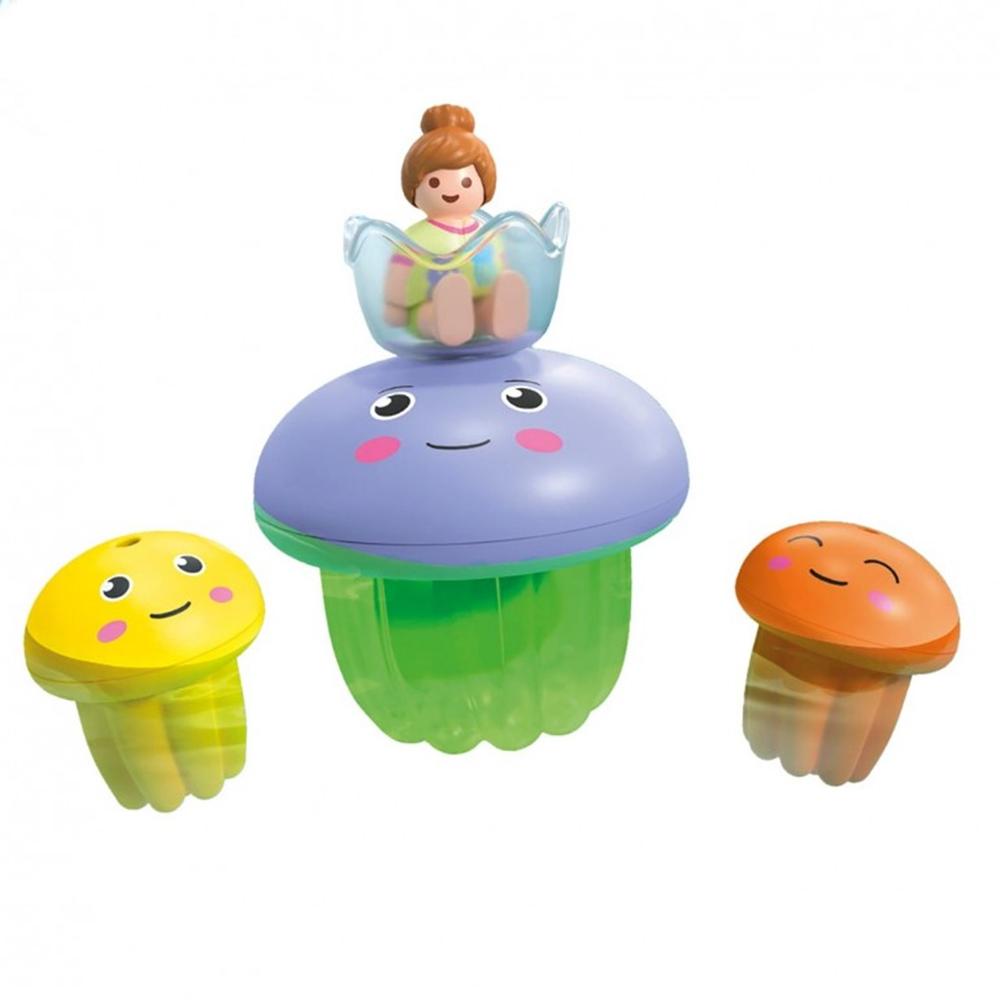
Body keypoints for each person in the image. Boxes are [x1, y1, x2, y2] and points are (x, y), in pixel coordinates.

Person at [384, 104, 530, 346]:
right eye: (434, 183)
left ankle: (496, 314)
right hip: (426, 305)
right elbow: (401, 268)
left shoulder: (487, 232)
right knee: (430, 314)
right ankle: (445, 320)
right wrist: (395, 305)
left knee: (489, 302)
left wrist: (503, 281)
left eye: (466, 183)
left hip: (480, 297)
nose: (451, 190)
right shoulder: (417, 236)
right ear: (414, 187)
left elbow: (499, 261)